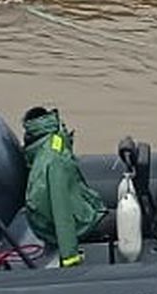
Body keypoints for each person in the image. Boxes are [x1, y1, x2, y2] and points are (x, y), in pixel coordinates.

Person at [22, 106, 114, 268]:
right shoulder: (56, 159)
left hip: (53, 220)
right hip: (78, 226)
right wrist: (70, 257)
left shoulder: (40, 150)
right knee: (132, 219)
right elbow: (61, 210)